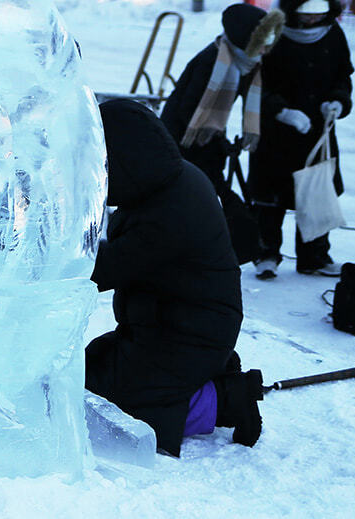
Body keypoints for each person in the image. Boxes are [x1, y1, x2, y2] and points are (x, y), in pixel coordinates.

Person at [85, 98, 263, 457]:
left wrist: (48, 258)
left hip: (189, 335)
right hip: (172, 326)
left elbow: (104, 270)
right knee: (90, 370)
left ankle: (226, 399)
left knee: (116, 409)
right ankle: (202, 377)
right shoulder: (168, 181)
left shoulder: (168, 212)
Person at [248, 0, 354, 279]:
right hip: (276, 133)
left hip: (318, 130)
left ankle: (315, 257)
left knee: (316, 194)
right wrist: (281, 111)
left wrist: (338, 101)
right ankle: (266, 254)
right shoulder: (271, 31)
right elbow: (256, 81)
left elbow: (342, 77)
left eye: (319, 13)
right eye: (306, 14)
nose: (312, 20)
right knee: (271, 197)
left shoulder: (333, 33)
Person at [160, 3, 284, 192]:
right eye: (260, 44)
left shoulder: (244, 61)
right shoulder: (212, 61)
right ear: (245, 38)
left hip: (207, 138)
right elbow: (188, 106)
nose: (264, 51)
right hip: (185, 137)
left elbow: (254, 98)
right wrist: (213, 139)